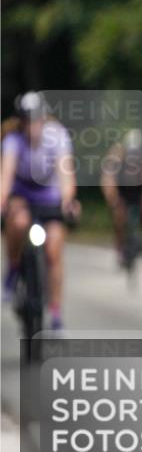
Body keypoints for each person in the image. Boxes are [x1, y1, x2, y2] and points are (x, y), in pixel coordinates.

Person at [0, 92, 80, 329]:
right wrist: (3, 201)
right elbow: (6, 177)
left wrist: (68, 200)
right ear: (21, 121)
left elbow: (66, 174)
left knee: (54, 250)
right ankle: (14, 268)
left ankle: (55, 312)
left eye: (36, 119)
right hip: (22, 195)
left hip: (49, 197)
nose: (32, 124)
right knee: (19, 222)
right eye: (27, 119)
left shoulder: (58, 137)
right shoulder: (13, 141)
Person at [101, 128, 142, 265]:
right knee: (119, 217)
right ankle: (120, 246)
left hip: (139, 192)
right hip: (122, 192)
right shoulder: (117, 159)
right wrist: (114, 200)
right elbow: (108, 180)